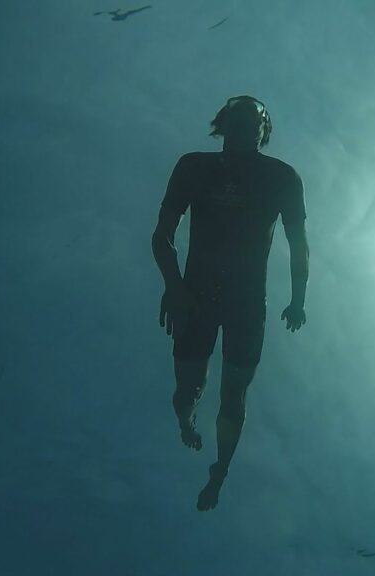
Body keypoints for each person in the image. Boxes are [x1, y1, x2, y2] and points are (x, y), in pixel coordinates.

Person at [151, 95, 310, 511]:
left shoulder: (283, 177)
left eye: (257, 117)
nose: (249, 121)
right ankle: (187, 422)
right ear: (223, 123)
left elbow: (299, 247)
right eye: (241, 115)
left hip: (244, 305)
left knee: (233, 397)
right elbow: (162, 234)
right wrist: (174, 285)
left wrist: (298, 300)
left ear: (264, 130)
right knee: (190, 386)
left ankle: (219, 469)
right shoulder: (195, 166)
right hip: (195, 298)